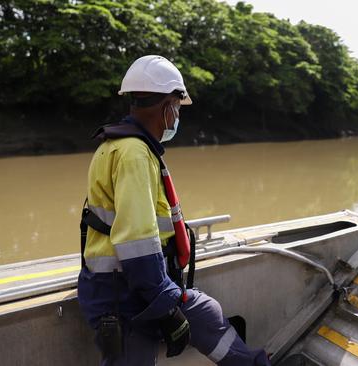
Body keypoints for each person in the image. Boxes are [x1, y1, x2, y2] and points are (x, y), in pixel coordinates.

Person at [77, 55, 270, 366]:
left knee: (206, 315)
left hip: (135, 284)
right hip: (123, 295)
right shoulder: (134, 154)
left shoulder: (120, 145)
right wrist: (167, 308)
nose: (178, 116)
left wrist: (171, 297)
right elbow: (136, 244)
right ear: (167, 107)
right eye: (178, 108)